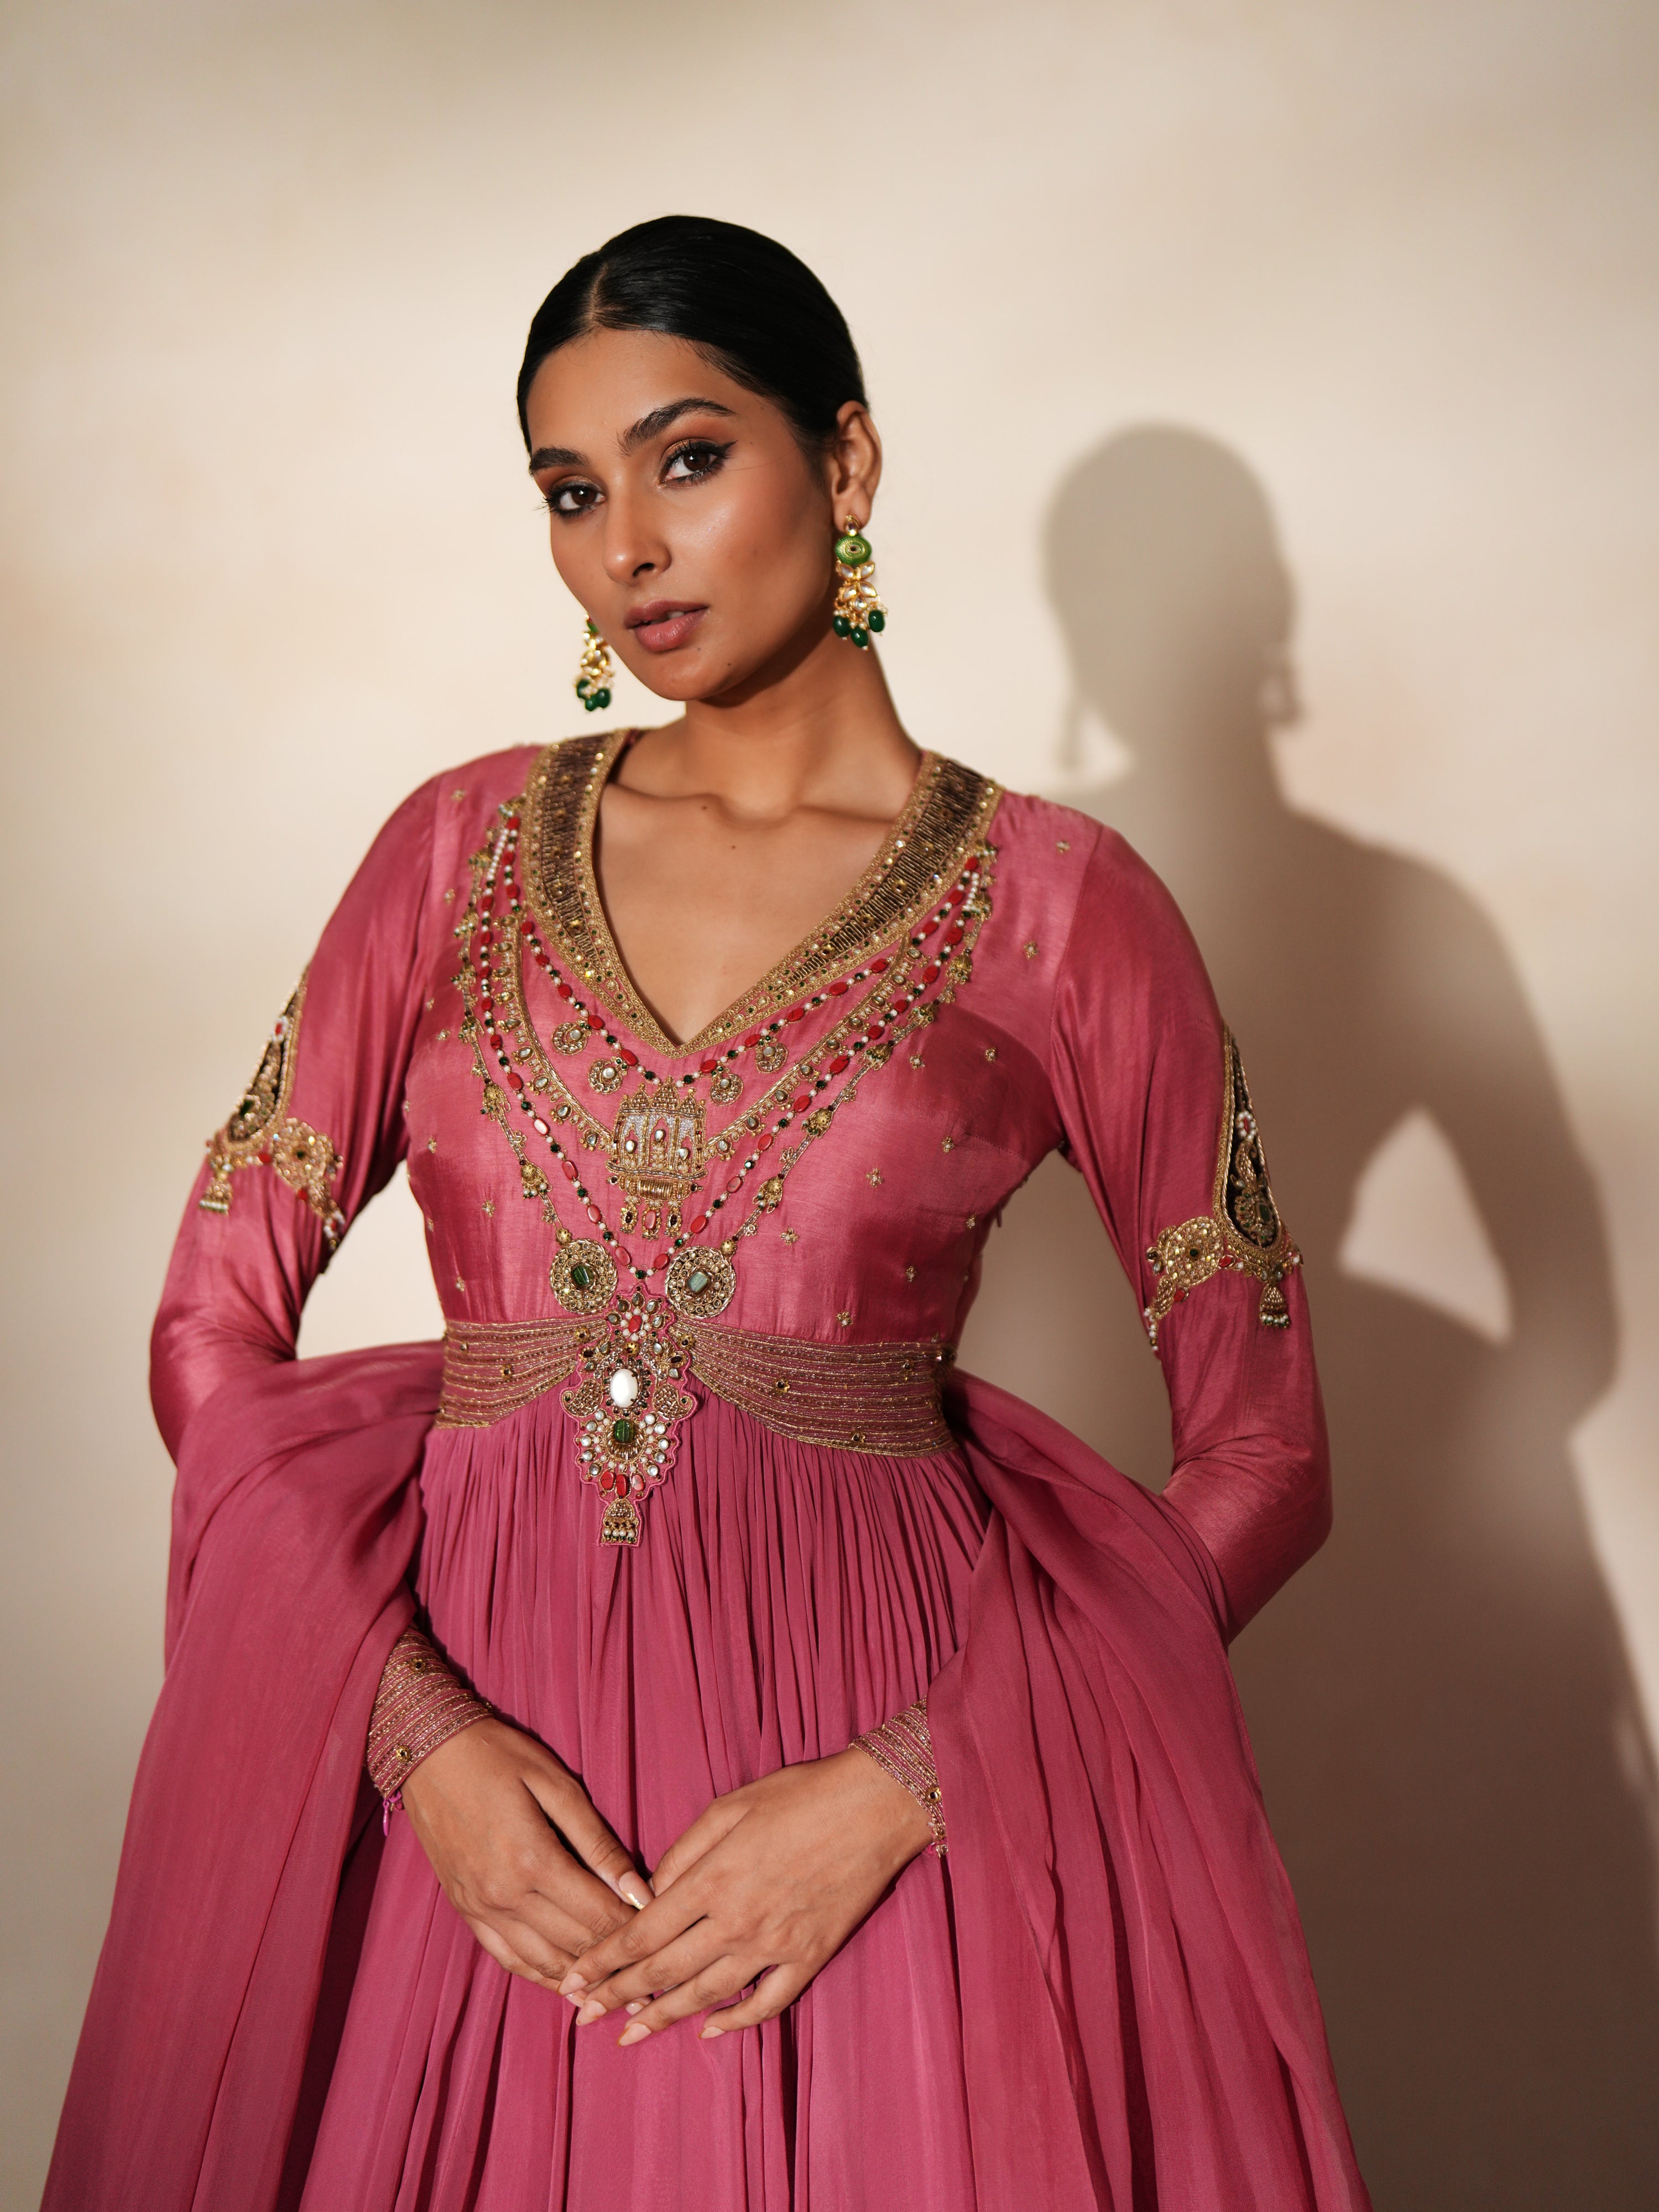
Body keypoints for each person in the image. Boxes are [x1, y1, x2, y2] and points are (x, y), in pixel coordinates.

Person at [45, 216, 1370, 2211]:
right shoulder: (454, 852)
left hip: (864, 1835)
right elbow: (206, 1332)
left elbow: (1266, 1452)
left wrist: (907, 1790)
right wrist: (417, 1743)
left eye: (687, 460)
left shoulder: (1065, 909)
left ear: (842, 466)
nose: (626, 549)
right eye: (572, 493)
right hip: (484, 1838)